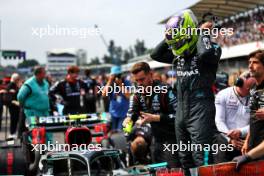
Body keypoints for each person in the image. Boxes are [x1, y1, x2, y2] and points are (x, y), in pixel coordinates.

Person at [150, 9, 221, 175]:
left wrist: (200, 31)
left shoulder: (212, 50)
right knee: (184, 158)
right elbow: (155, 54)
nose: (176, 47)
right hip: (182, 110)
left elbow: (204, 52)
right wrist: (172, 34)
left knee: (201, 160)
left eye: (178, 42)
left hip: (201, 109)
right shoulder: (180, 56)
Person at [123, 62, 180, 168]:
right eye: (137, 81)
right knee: (157, 171)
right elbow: (133, 113)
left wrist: (155, 118)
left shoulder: (165, 90)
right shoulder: (138, 93)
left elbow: (179, 116)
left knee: (173, 172)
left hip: (173, 140)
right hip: (155, 141)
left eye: (142, 79)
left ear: (150, 74)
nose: (139, 83)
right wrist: (128, 119)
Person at [214, 71, 256, 163]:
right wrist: (230, 139)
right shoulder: (222, 94)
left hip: (246, 140)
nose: (251, 90)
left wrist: (240, 132)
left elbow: (255, 123)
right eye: (249, 87)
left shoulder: (255, 97)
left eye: (253, 86)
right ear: (239, 82)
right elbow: (219, 121)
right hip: (225, 139)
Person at [102, 66, 130, 131]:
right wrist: (109, 81)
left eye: (118, 75)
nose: (117, 77)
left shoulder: (126, 82)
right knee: (112, 133)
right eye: (115, 75)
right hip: (112, 113)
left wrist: (120, 85)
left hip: (124, 114)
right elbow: (104, 95)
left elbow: (128, 96)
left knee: (121, 134)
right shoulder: (110, 84)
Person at [6, 73, 22, 138]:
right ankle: (12, 133)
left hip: (16, 105)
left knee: (16, 120)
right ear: (15, 79)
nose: (19, 80)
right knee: (13, 119)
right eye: (18, 79)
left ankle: (14, 133)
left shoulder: (15, 85)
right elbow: (9, 96)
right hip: (13, 105)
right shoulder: (10, 85)